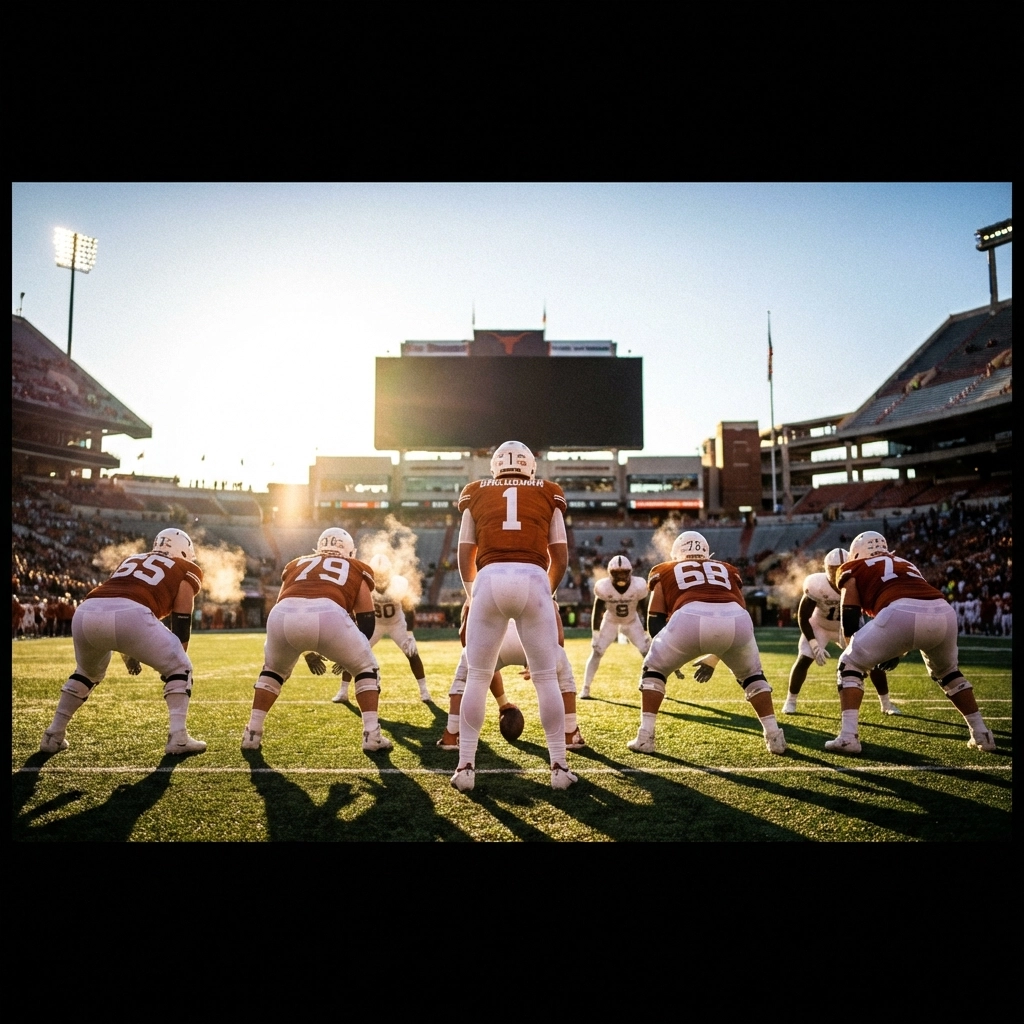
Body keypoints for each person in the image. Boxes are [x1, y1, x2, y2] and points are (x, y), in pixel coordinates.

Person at [452, 440, 575, 792]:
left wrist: (472, 595)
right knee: (546, 678)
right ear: (530, 466)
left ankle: (465, 768)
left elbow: (465, 554)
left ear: (494, 466)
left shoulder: (475, 490)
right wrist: (546, 593)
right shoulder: (548, 491)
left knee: (476, 676)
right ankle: (558, 767)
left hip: (489, 578)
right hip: (533, 577)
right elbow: (561, 558)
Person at [39, 528, 206, 756]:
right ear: (185, 551)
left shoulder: (133, 559)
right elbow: (181, 614)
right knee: (181, 667)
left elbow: (117, 605)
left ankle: (53, 734)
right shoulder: (187, 567)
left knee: (86, 673)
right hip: (131, 614)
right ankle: (178, 738)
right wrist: (178, 657)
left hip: (87, 611)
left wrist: (129, 654)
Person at [826, 530, 996, 754]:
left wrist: (852, 645)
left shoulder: (853, 566)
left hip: (900, 611)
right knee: (949, 673)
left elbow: (850, 609)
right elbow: (914, 612)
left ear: (856, 553)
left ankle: (848, 737)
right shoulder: (905, 563)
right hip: (943, 611)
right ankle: (982, 733)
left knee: (849, 664)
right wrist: (894, 650)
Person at [629, 530, 786, 756]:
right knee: (753, 676)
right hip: (738, 621)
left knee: (653, 670)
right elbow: (736, 609)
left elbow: (654, 619)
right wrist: (715, 655)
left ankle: (645, 738)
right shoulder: (727, 569)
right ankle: (775, 737)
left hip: (689, 618)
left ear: (676, 554)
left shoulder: (665, 569)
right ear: (706, 552)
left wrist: (668, 655)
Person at [241, 527, 390, 753]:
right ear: (350, 550)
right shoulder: (356, 566)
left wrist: (308, 651)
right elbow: (367, 621)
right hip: (329, 613)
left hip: (281, 615)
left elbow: (289, 603)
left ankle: (252, 733)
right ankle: (372, 736)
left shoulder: (296, 564)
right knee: (367, 668)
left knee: (273, 671)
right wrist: (352, 656)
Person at [437, 596, 585, 751]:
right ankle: (570, 733)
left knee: (463, 678)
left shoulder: (485, 576)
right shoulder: (535, 574)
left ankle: (452, 735)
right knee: (564, 674)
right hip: (531, 640)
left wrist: (477, 660)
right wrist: (548, 661)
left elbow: (465, 636)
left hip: (491, 640)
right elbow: (557, 633)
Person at [780, 548, 900, 716]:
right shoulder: (816, 584)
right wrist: (814, 644)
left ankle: (886, 703)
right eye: (834, 568)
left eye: (843, 567)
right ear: (826, 569)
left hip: (849, 627)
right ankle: (790, 701)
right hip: (820, 626)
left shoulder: (859, 581)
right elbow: (803, 616)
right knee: (804, 659)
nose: (838, 572)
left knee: (872, 660)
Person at [330, 552, 431, 703]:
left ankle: (424, 691)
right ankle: (343, 691)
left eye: (383, 574)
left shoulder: (398, 583)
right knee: (353, 651)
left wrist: (409, 634)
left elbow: (409, 609)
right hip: (374, 623)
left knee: (412, 653)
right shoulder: (364, 583)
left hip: (396, 623)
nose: (381, 577)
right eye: (378, 574)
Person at [581, 554, 650, 698]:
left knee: (648, 653)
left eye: (623, 573)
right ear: (610, 573)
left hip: (632, 621)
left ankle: (651, 684)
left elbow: (645, 608)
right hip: (610, 621)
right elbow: (597, 609)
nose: (620, 577)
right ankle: (585, 688)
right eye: (617, 573)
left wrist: (646, 630)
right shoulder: (603, 586)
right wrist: (595, 633)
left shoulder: (638, 585)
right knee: (597, 652)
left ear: (630, 572)